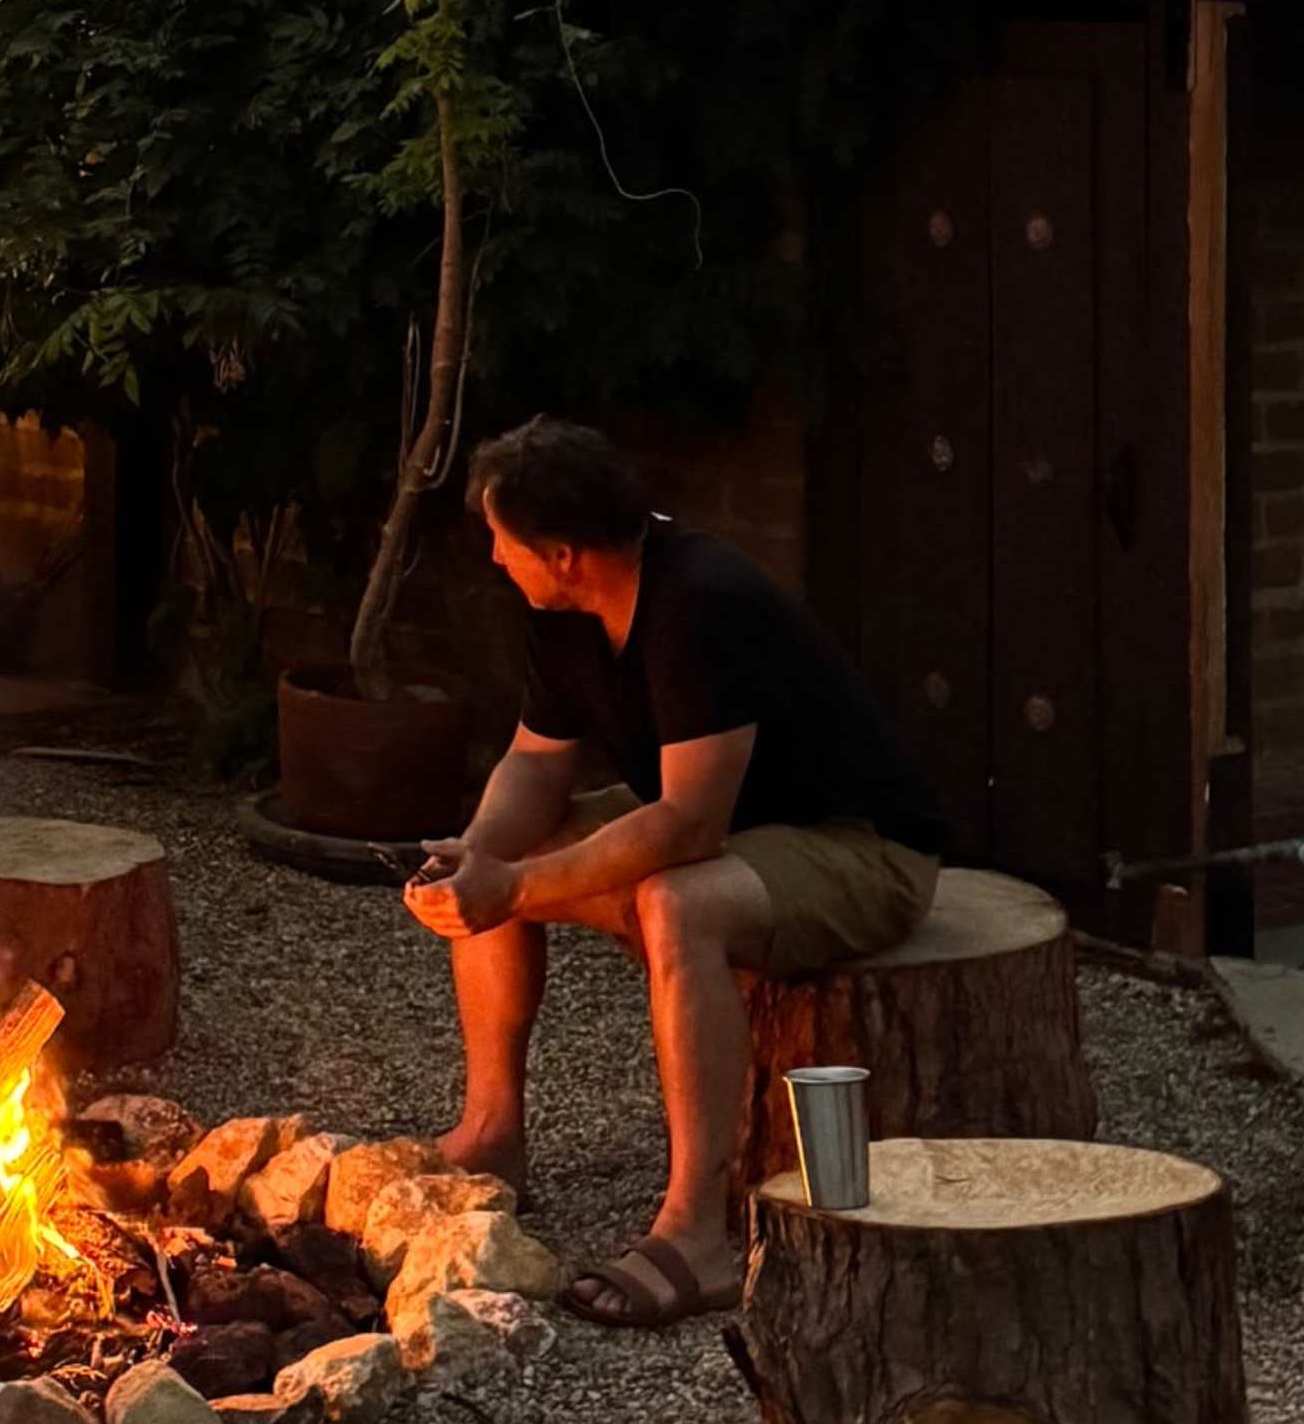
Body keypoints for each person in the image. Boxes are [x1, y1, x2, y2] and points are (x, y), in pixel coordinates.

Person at [403, 415, 947, 1328]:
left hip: (862, 846)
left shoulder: (700, 603)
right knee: (509, 854)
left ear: (566, 552)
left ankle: (700, 1234)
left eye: (503, 541)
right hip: (743, 827)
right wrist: (480, 856)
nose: (495, 559)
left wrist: (516, 890)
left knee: (676, 900)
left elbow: (690, 824)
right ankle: (492, 1133)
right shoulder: (566, 612)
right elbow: (538, 762)